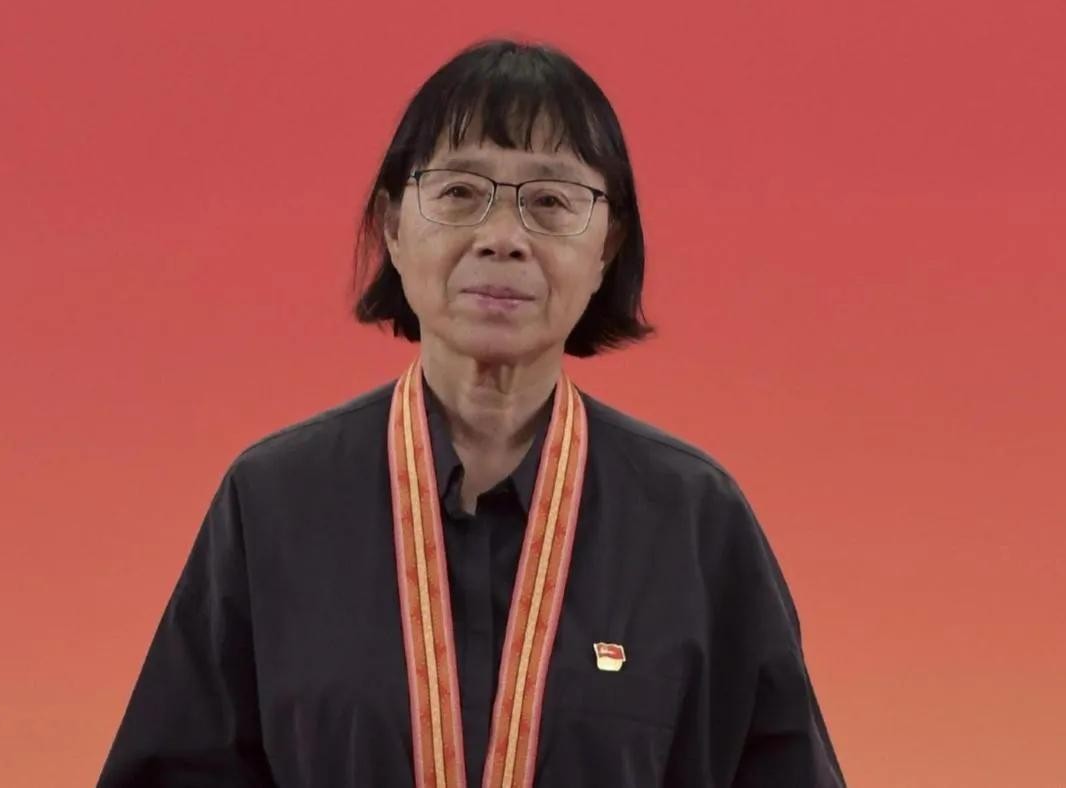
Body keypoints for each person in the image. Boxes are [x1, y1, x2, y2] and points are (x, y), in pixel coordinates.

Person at [98, 38, 846, 788]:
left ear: (607, 246)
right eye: (460, 192)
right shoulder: (274, 504)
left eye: (549, 201)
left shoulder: (693, 523)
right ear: (393, 227)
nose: (503, 239)